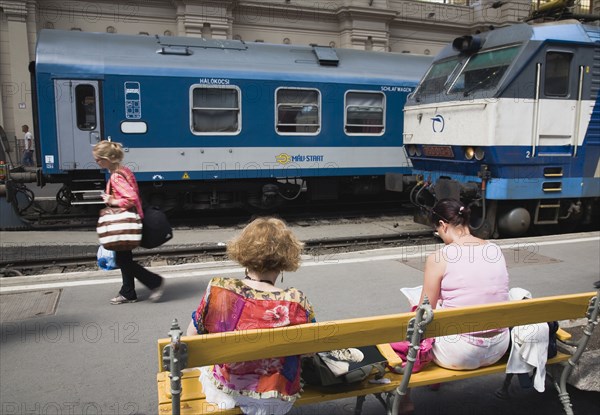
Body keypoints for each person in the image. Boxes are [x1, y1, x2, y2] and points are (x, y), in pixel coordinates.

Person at [186, 217, 316, 415]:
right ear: (284, 260)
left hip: (226, 391)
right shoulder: (296, 301)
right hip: (277, 399)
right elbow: (310, 352)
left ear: (244, 253)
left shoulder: (219, 288)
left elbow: (191, 339)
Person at [398, 199, 510, 414]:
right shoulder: (494, 249)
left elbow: (424, 311)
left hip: (458, 354)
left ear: (443, 224)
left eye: (437, 230)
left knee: (416, 309)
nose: (439, 235)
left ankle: (404, 400)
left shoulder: (439, 258)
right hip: (498, 347)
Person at [93, 140, 164, 304]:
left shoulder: (117, 176)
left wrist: (112, 200)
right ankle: (128, 292)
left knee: (122, 260)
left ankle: (155, 282)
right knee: (124, 258)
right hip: (128, 221)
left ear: (108, 159)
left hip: (122, 223)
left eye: (99, 159)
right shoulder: (124, 170)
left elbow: (130, 198)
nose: (97, 162)